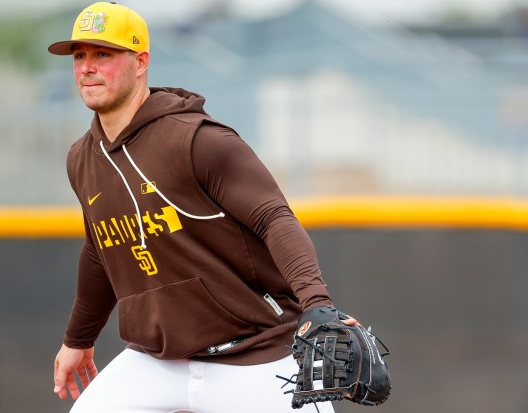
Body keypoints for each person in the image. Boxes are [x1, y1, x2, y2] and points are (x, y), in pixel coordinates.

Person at [48, 2, 355, 412]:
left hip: (255, 355)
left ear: (141, 62)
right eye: (79, 56)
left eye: (103, 54)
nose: (87, 67)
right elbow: (99, 251)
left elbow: (274, 218)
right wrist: (78, 340)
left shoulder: (198, 140)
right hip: (157, 362)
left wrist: (317, 305)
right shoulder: (82, 158)